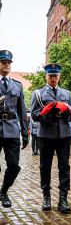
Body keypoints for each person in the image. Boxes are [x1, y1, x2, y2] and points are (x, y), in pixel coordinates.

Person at [30, 63, 71, 213]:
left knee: (64, 167)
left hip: (63, 135)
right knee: (45, 166)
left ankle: (63, 198)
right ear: (46, 77)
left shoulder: (66, 94)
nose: (53, 78)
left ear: (59, 77)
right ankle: (46, 197)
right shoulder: (39, 93)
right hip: (46, 135)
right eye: (51, 76)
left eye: (56, 76)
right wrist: (48, 115)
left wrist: (64, 113)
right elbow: (35, 115)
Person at [0, 50, 29, 208]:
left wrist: (25, 133)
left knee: (14, 165)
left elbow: (22, 111)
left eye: (9, 62)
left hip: (12, 129)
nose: (7, 65)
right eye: (4, 62)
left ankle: (4, 191)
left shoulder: (17, 85)